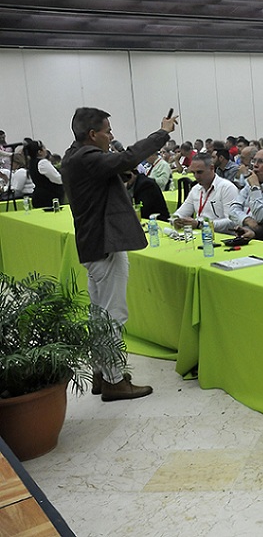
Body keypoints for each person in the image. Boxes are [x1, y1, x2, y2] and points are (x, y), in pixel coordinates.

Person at [61, 107, 177, 400]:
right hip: (105, 244)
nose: (111, 136)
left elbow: (117, 167)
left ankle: (102, 373)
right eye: (107, 131)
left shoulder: (72, 155)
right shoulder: (88, 158)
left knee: (100, 314)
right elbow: (127, 159)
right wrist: (162, 132)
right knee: (114, 314)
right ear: (92, 134)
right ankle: (114, 380)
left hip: (93, 244)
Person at [172, 153, 240, 233]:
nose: (196, 176)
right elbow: (181, 213)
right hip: (201, 234)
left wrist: (200, 224)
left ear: (212, 168)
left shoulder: (227, 188)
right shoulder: (196, 189)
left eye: (200, 172)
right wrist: (177, 219)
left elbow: (233, 222)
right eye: (193, 173)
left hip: (222, 236)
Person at [24, 139, 65, 207]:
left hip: (39, 196)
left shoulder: (31, 163)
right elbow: (58, 179)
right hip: (50, 197)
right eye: (44, 148)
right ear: (40, 152)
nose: (46, 150)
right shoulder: (43, 163)